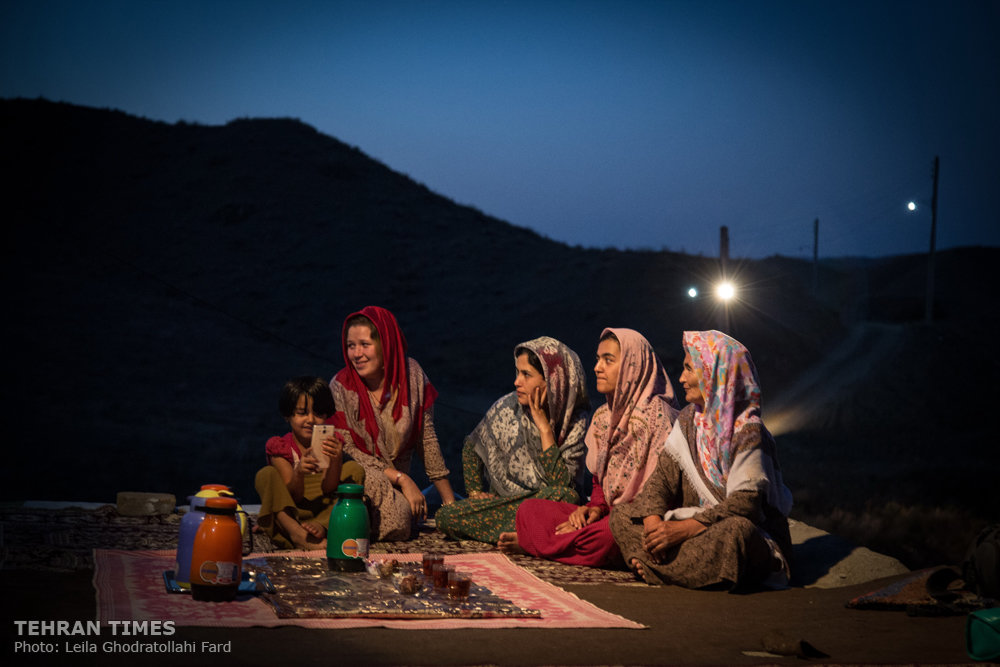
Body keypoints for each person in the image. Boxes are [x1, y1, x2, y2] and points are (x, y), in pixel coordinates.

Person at [609, 330, 793, 590]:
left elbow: (746, 504)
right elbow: (660, 481)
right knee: (622, 515)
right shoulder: (688, 420)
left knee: (737, 534)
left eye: (689, 369)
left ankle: (656, 567)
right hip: (693, 529)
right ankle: (680, 569)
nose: (681, 378)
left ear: (714, 373)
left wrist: (683, 530)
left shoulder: (748, 430)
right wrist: (653, 525)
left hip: (735, 530)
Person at [499, 328, 679, 566]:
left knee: (608, 536)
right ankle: (554, 543)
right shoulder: (603, 417)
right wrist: (593, 509)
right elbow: (598, 483)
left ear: (633, 366)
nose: (597, 367)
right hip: (604, 517)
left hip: (637, 521)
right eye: (598, 359)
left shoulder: (659, 417)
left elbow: (661, 492)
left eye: (608, 360)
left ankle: (534, 544)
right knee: (529, 509)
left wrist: (608, 517)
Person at [435, 336, 590, 544]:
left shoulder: (574, 421)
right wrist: (475, 492)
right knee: (446, 516)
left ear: (553, 381)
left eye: (526, 374)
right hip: (504, 504)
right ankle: (531, 534)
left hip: (547, 506)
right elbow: (472, 447)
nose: (517, 382)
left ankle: (523, 534)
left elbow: (563, 487)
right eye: (518, 372)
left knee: (567, 498)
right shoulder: (508, 406)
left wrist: (545, 430)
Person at [329, 306, 456, 541]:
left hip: (394, 486)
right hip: (357, 477)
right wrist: (401, 479)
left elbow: (426, 439)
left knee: (407, 517)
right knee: (396, 517)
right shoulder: (341, 386)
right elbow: (347, 451)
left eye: (365, 344)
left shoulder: (412, 375)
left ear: (385, 344)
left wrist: (449, 503)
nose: (357, 354)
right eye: (351, 346)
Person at [254, 377, 365, 550]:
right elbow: (293, 496)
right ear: (288, 415)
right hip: (292, 513)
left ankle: (323, 526)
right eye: (302, 413)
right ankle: (297, 534)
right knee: (265, 474)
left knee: (354, 469)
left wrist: (335, 461)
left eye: (318, 414)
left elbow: (329, 488)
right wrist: (299, 472)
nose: (311, 419)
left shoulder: (331, 442)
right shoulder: (281, 447)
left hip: (324, 509)